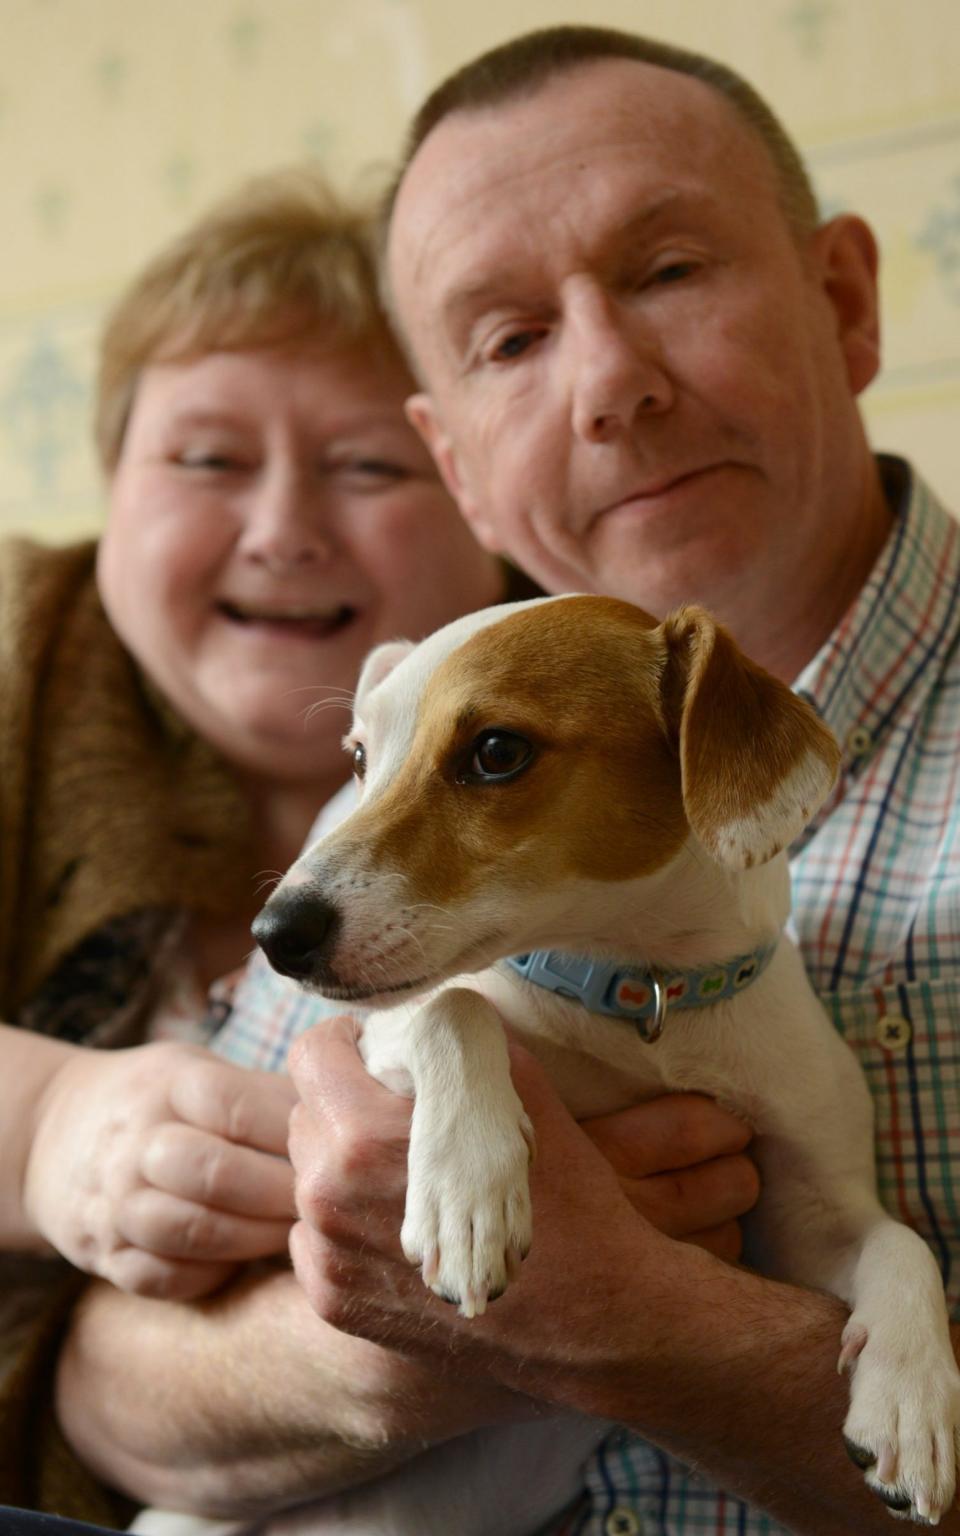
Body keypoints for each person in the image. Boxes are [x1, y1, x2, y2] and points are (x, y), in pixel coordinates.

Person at [271, 24, 958, 1536]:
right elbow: (115, 1359)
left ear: (846, 300)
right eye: (510, 338)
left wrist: (642, 1326)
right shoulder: (394, 784)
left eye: (667, 272)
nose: (609, 385)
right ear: (453, 459)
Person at [0, 163, 512, 1524]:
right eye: (209, 460)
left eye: (366, 467)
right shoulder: (12, 665)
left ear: (485, 498)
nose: (283, 531)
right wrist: (51, 1123)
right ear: (110, 482)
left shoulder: (610, 725)